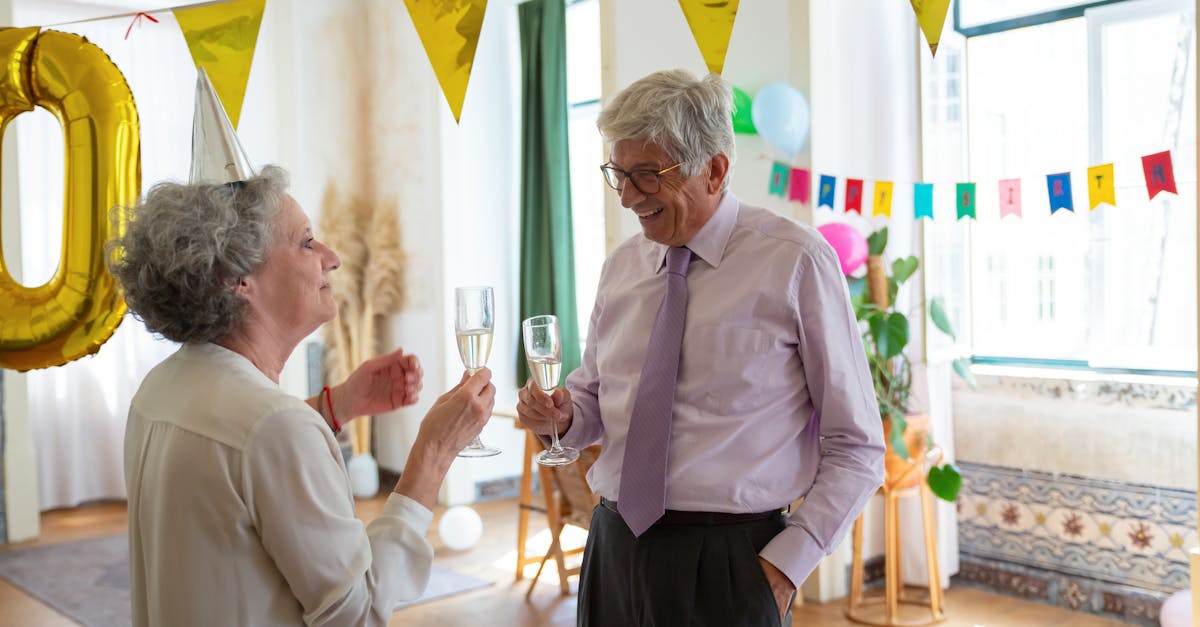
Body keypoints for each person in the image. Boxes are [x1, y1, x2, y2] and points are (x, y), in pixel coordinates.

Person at [516, 69, 885, 626]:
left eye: (646, 175)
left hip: (732, 566)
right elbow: (594, 398)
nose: (627, 197)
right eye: (618, 173)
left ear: (714, 170)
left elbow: (857, 445)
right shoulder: (621, 266)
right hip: (613, 550)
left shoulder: (796, 262)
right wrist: (563, 415)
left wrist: (785, 569)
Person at [107, 165, 496, 627]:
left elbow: (240, 455)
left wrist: (341, 403)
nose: (331, 257)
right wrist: (433, 453)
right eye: (306, 242)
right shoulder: (273, 426)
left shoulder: (160, 389)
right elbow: (358, 614)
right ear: (236, 278)